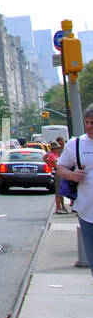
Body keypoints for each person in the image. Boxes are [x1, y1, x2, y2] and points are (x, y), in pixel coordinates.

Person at [55, 108, 93, 274]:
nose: (89, 126)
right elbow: (60, 168)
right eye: (87, 123)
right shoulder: (75, 144)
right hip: (87, 211)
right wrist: (72, 175)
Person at [47, 138, 68, 213]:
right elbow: (56, 166)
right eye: (57, 148)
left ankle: (61, 207)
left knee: (60, 191)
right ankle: (58, 208)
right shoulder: (52, 155)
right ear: (54, 149)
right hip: (57, 174)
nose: (59, 149)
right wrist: (51, 166)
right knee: (58, 191)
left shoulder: (56, 155)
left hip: (59, 173)